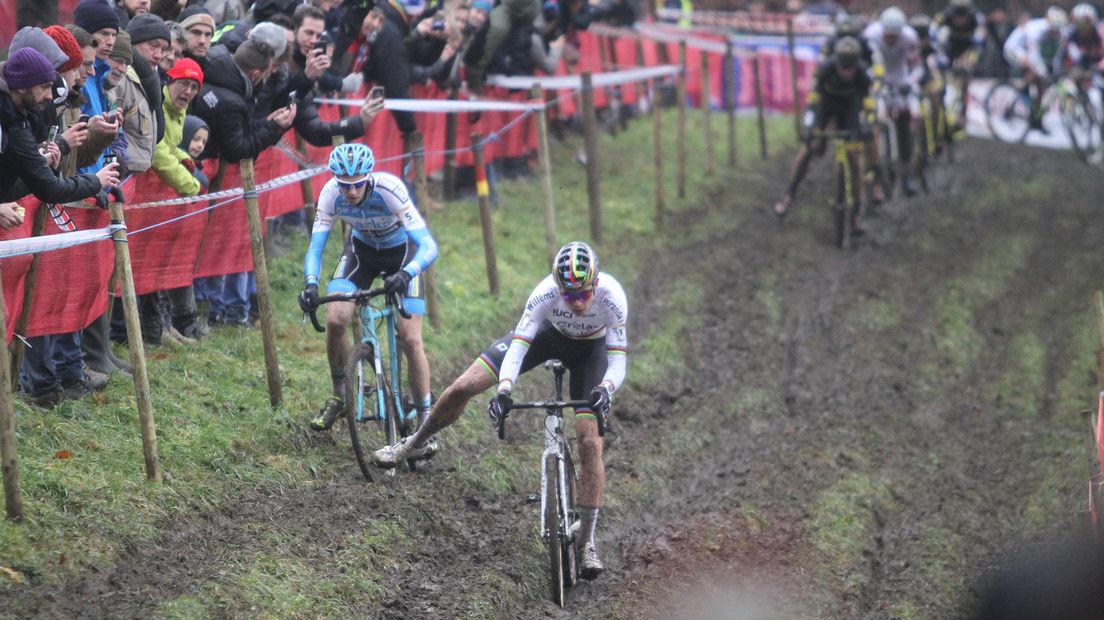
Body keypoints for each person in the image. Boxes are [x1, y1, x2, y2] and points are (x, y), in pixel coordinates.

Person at [372, 241, 627, 579]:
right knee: (464, 385)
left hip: (591, 354)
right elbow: (520, 346)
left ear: (595, 284)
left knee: (590, 442)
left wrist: (604, 390)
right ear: (558, 288)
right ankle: (415, 441)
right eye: (569, 296)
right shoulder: (545, 294)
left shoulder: (613, 297)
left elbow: (618, 358)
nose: (577, 302)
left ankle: (586, 543)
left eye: (583, 294)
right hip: (548, 337)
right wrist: (505, 389)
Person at [298, 143, 438, 434]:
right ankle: (341, 394)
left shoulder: (390, 189)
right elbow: (316, 248)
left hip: (402, 255)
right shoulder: (329, 194)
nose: (350, 192)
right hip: (361, 253)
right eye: (344, 185)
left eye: (357, 185)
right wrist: (311, 284)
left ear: (368, 177)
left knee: (410, 339)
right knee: (336, 319)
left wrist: (407, 272)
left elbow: (428, 245)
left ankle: (426, 420)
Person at [773, 37, 873, 218]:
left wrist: (866, 122)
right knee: (809, 147)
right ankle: (789, 193)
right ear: (836, 62)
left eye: (850, 68)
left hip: (850, 107)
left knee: (854, 155)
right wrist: (809, 126)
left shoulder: (862, 73)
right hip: (826, 106)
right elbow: (813, 100)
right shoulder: (824, 69)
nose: (847, 72)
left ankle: (858, 206)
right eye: (843, 67)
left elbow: (868, 103)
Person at [864, 6, 923, 196]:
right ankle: (875, 173)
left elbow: (916, 67)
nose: (890, 40)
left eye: (894, 36)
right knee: (876, 121)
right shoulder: (870, 36)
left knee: (906, 123)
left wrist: (911, 82)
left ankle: (907, 174)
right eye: (887, 36)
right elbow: (864, 65)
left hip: (900, 79)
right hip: (877, 78)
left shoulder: (910, 37)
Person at [1003, 6, 1068, 128]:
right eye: (1053, 28)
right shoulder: (1036, 30)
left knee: (1041, 86)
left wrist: (1056, 72)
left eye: (1058, 29)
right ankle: (1020, 90)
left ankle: (1036, 117)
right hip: (1014, 49)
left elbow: (1057, 57)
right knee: (1035, 72)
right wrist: (1044, 73)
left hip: (1028, 52)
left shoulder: (1059, 32)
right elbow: (1034, 56)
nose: (1055, 31)